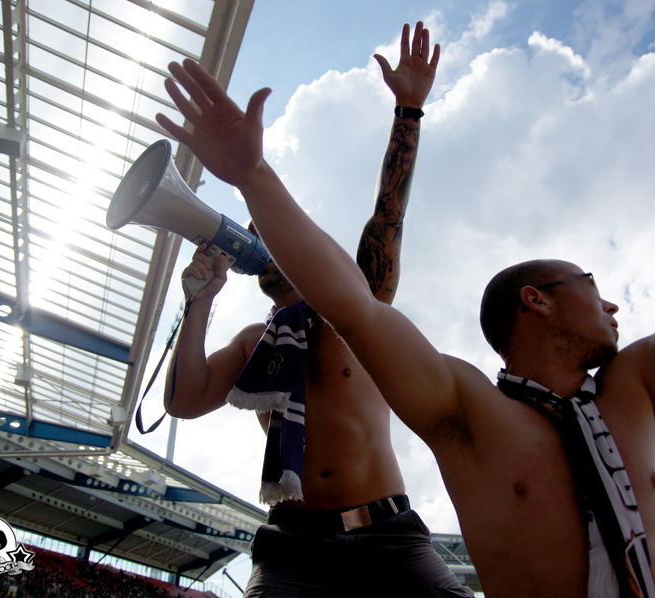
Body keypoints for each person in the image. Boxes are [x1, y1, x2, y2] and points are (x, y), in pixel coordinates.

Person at [156, 12, 655, 598]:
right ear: (537, 302)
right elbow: (205, 388)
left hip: (386, 536)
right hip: (294, 543)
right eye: (590, 282)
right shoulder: (452, 408)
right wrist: (238, 209)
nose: (612, 303)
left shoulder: (638, 393)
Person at [163, 22, 473, 598]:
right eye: (253, 237)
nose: (261, 243)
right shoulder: (255, 343)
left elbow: (389, 214)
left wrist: (408, 110)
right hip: (293, 548)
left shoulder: (356, 309)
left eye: (272, 235)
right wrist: (198, 303)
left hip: (388, 539)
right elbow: (184, 401)